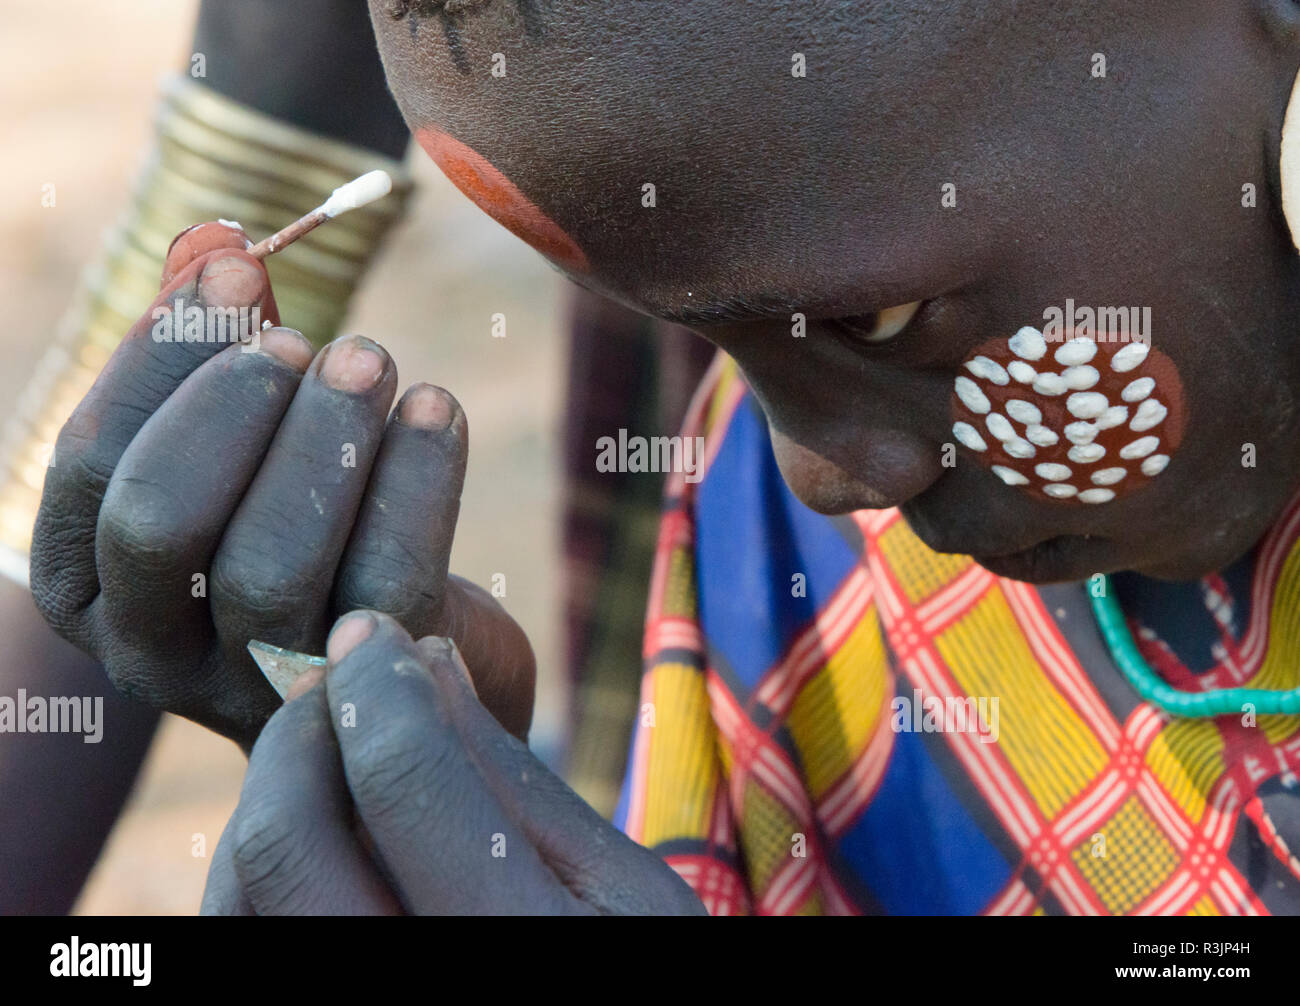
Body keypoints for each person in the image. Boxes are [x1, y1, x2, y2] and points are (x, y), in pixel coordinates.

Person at [30, 0, 1300, 913]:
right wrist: (440, 796)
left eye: (879, 321)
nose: (821, 473)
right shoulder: (785, 540)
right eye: (708, 343)